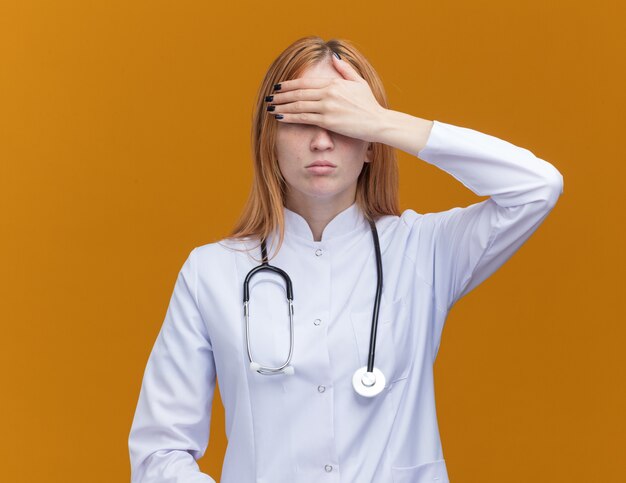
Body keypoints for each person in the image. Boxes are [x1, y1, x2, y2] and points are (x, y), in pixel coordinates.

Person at [128, 36, 564, 483]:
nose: (321, 141)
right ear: (269, 140)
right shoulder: (210, 273)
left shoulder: (425, 250)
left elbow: (537, 187)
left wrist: (385, 121)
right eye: (301, 118)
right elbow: (158, 452)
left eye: (340, 118)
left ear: (371, 142)